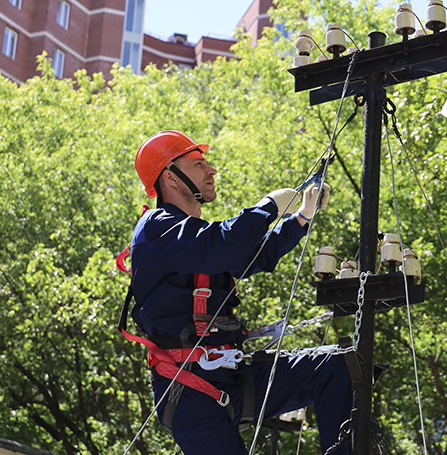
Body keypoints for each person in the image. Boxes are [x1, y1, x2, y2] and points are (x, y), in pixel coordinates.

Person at [127, 130, 352, 454]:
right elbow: (226, 244)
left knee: (338, 365)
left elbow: (248, 257)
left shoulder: (194, 240)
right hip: (189, 391)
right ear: (171, 178)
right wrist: (268, 208)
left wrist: (301, 219)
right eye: (198, 164)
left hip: (233, 375)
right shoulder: (156, 229)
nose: (211, 170)